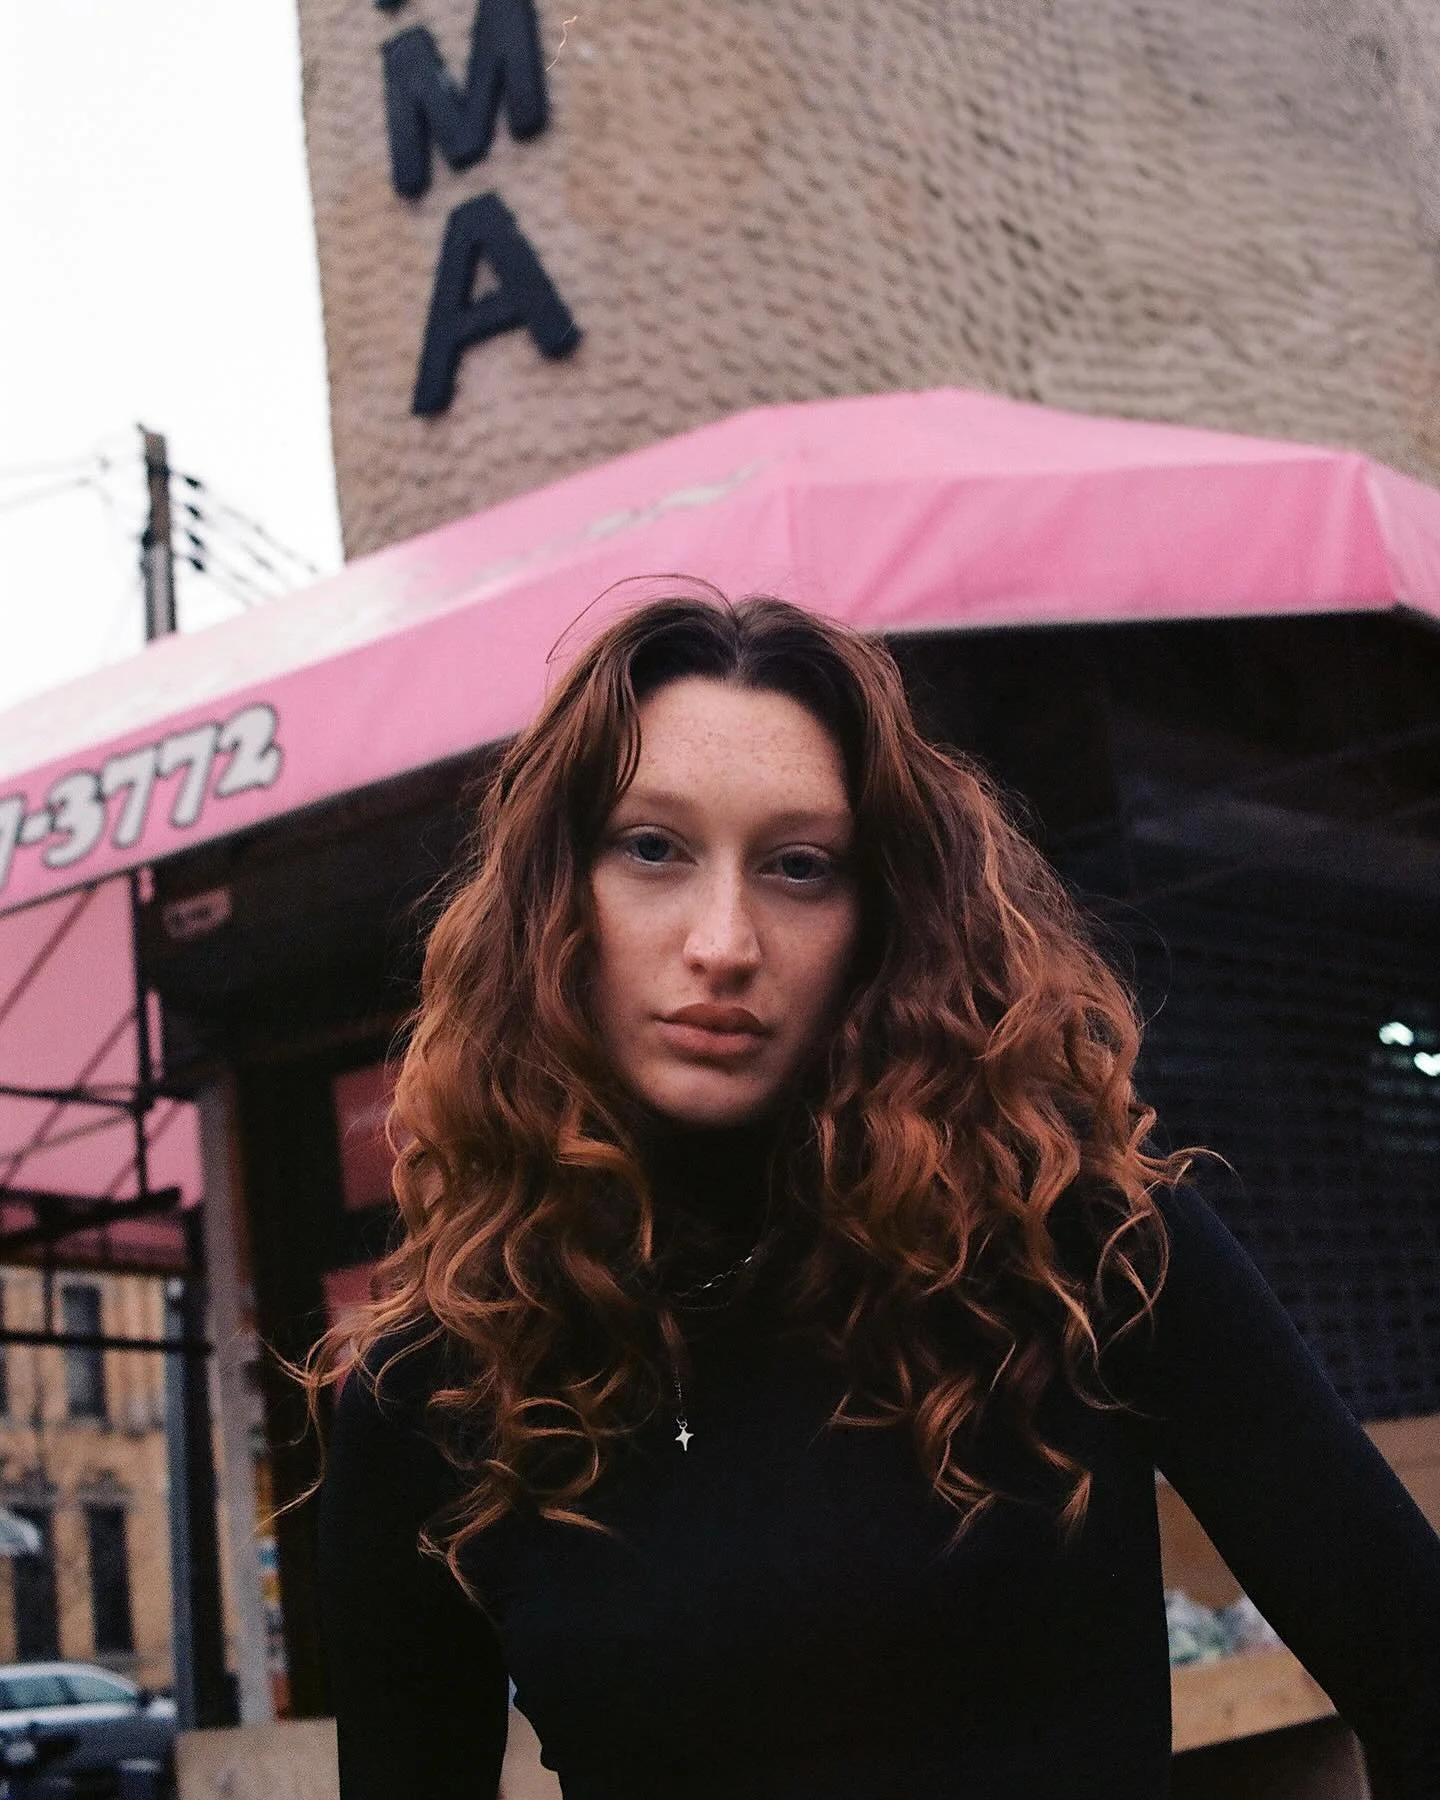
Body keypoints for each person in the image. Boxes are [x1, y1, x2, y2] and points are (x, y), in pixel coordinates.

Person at [310, 593, 1440, 1800]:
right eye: (654, 848)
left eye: (800, 867)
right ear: (554, 899)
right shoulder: (433, 1387)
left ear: (877, 916)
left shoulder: (1076, 1245)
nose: (724, 941)